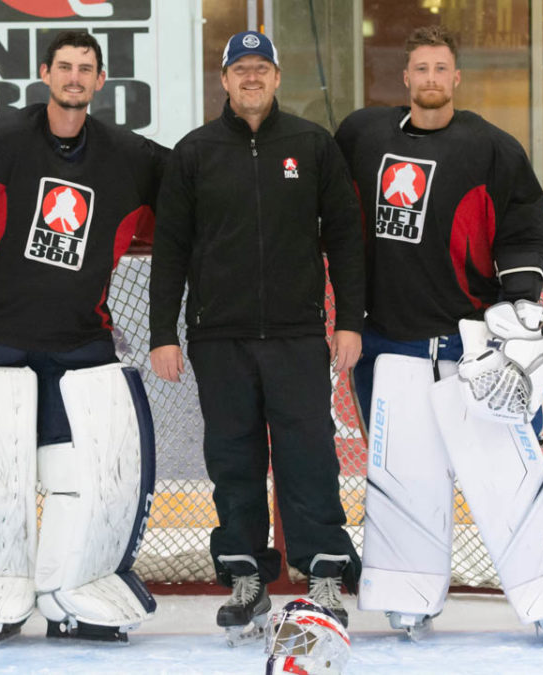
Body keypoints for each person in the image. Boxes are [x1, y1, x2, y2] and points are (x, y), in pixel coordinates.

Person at [334, 25, 543, 638]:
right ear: (405, 78)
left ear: (456, 78)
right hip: (391, 344)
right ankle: (409, 592)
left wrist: (521, 302)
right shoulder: (363, 135)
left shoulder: (492, 148)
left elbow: (527, 227)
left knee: (507, 474)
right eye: (419, 68)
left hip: (469, 347)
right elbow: (327, 200)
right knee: (404, 477)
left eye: (440, 69)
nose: (430, 79)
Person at [0, 31, 166, 643]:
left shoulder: (133, 156)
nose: (75, 77)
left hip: (77, 343)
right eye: (65, 67)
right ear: (46, 74)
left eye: (87, 69)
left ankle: (69, 590)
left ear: (101, 81)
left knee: (84, 474)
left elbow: (196, 191)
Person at [148, 30, 364, 640]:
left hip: (297, 335)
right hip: (219, 338)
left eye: (260, 68)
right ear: (223, 80)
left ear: (276, 77)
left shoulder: (312, 144)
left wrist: (349, 320)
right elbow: (170, 249)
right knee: (233, 460)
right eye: (239, 68)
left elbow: (346, 238)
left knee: (309, 457)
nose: (250, 78)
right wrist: (163, 330)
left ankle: (323, 572)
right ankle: (246, 578)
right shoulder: (194, 152)